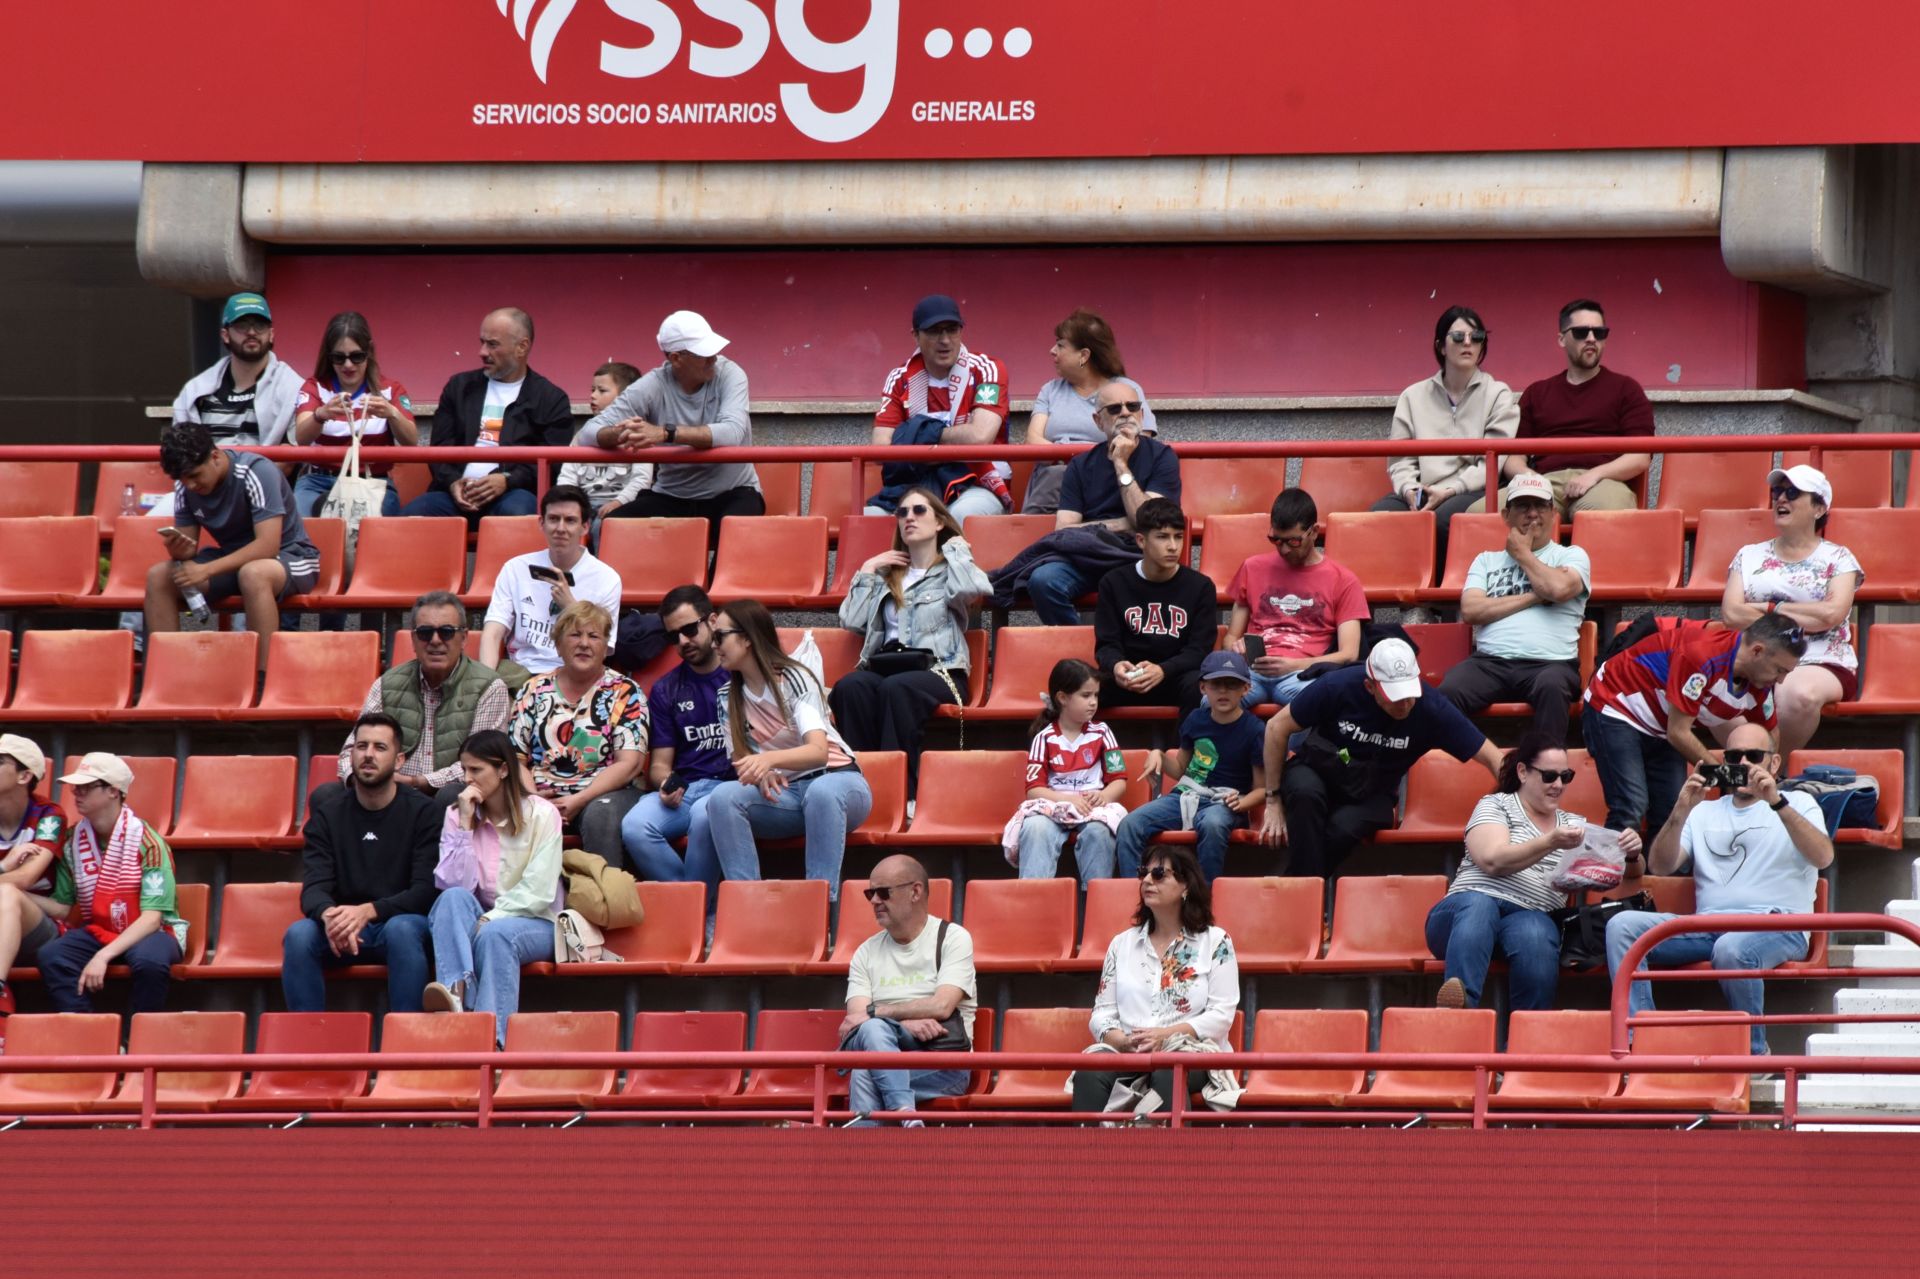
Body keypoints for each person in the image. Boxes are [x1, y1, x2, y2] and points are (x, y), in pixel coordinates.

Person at [1605, 723, 1831, 1056]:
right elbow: (1662, 865)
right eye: (1732, 756)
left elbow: (1823, 855)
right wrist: (1681, 809)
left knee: (1731, 947)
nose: (1741, 763)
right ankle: (1642, 1039)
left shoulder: (1798, 802)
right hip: (1707, 927)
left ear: (1773, 763)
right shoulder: (1703, 811)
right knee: (1621, 926)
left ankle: (1755, 1054)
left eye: (1752, 756)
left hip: (1778, 925)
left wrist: (1777, 802)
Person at [1425, 733, 1641, 1012]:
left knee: (1536, 931)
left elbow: (1626, 872)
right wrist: (1550, 841)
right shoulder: (1497, 804)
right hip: (1460, 917)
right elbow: (1492, 860)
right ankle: (1459, 1012)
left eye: (1566, 776)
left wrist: (1632, 853)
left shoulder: (1574, 825)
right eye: (1550, 776)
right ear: (1523, 772)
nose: (1559, 785)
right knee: (1480, 906)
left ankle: (1527, 1035)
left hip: (1528, 916)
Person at [1262, 638, 1503, 879]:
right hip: (1319, 769)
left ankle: (1297, 889)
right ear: (1370, 686)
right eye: (1395, 697)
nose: (1405, 704)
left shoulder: (1432, 707)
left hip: (1373, 792)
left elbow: (1493, 756)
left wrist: (1519, 811)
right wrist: (1272, 801)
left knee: (1342, 828)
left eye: (1410, 694)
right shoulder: (1337, 686)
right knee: (1305, 794)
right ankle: (1305, 897)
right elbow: (1275, 727)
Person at [692, 600, 873, 902]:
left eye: (720, 636)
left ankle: (820, 908)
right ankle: (748, 904)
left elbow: (818, 751)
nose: (714, 645)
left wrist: (768, 760)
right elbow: (743, 762)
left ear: (747, 637)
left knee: (822, 793)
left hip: (839, 783)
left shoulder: (793, 677)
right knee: (722, 798)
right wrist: (761, 775)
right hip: (789, 796)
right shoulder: (727, 696)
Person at [1583, 613, 1807, 836]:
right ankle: (1609, 870)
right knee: (1631, 805)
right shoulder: (1702, 657)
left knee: (1673, 810)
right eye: (1779, 670)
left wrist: (1768, 777)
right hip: (1616, 705)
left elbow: (1770, 733)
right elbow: (1678, 733)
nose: (1781, 681)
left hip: (1662, 723)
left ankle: (1661, 872)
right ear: (1756, 651)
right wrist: (1729, 778)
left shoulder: (1760, 680)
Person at [831, 485, 990, 794]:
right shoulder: (887, 577)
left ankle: (901, 791)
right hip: (888, 669)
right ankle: (859, 786)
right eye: (902, 512)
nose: (909, 518)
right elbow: (851, 621)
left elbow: (971, 592)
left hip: (940, 672)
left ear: (940, 522)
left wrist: (958, 551)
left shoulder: (949, 571)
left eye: (919, 511)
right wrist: (867, 570)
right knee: (850, 686)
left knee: (897, 688)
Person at [285, 713, 441, 1014]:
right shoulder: (328, 816)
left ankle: (405, 1044)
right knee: (299, 935)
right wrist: (329, 915)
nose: (368, 755)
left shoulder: (425, 813)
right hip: (344, 929)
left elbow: (426, 891)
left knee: (402, 931)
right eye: (361, 746)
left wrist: (369, 911)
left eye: (380, 748)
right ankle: (305, 1048)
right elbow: (314, 887)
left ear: (399, 760)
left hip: (399, 922)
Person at [1074, 846, 1239, 1115]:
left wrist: (1166, 1036)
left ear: (1186, 885)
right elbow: (1102, 1013)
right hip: (1131, 1053)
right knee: (1089, 1074)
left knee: (1168, 1070)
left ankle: (1169, 1157)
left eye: (1160, 873)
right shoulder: (1121, 944)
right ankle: (1087, 1157)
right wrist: (1121, 1041)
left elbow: (1221, 1015)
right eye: (1144, 873)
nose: (1148, 880)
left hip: (1191, 1052)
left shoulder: (1216, 941)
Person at [424, 731, 564, 1047]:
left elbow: (540, 890)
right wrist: (464, 826)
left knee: (495, 934)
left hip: (538, 920)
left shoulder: (542, 814)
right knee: (451, 899)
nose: (467, 779)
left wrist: (493, 917)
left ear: (502, 770)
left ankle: (491, 1044)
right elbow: (452, 883)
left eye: (476, 770)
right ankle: (456, 995)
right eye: (464, 770)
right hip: (483, 918)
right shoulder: (457, 814)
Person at [145, 423, 320, 676]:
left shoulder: (256, 471)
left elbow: (267, 546)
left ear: (215, 456)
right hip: (232, 561)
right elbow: (189, 550)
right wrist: (179, 551)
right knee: (159, 576)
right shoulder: (185, 486)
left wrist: (206, 570)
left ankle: (264, 680)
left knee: (254, 573)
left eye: (195, 475)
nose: (191, 485)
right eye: (183, 479)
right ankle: (169, 677)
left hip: (291, 556)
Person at [1437, 471, 1591, 742]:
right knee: (1448, 691)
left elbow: (1558, 589)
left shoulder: (1572, 555)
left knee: (1552, 688)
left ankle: (1546, 772)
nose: (1532, 514)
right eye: (1523, 506)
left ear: (1553, 512)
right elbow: (1472, 611)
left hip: (1550, 664)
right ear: (1506, 516)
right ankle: (1459, 769)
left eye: (1540, 506)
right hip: (1490, 662)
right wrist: (1534, 597)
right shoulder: (1486, 560)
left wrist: (1522, 554)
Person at [1720, 464, 1862, 756]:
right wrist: (1801, 613)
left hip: (1818, 659)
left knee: (1795, 693)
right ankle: (1748, 766)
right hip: (1753, 655)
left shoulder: (1839, 558)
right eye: (1777, 491)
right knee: (1707, 680)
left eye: (1793, 493)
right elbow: (1732, 615)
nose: (1781, 499)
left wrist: (1767, 608)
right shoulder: (1748, 555)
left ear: (1819, 508)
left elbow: (1830, 616)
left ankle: (1771, 768)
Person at [578, 311, 764, 527]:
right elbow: (587, 434)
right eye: (704, 353)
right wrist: (623, 432)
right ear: (676, 358)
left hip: (733, 492)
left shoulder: (731, 373)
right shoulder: (652, 385)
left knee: (736, 528)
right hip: (671, 496)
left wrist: (665, 433)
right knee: (612, 525)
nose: (714, 357)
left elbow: (732, 433)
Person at [34, 754, 185, 1016]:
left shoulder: (148, 842)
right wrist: (12, 891)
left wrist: (103, 956)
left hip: (154, 931)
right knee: (53, 956)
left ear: (114, 791)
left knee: (150, 962)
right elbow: (61, 908)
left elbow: (152, 919)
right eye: (75, 788)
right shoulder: (72, 841)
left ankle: (137, 1041)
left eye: (86, 787)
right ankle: (90, 1035)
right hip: (99, 929)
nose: (76, 794)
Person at [1476, 299, 1654, 518]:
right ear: (1562, 339)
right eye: (1581, 332)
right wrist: (1533, 480)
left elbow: (1640, 456)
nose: (1591, 339)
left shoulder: (1627, 389)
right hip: (1544, 481)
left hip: (1603, 480)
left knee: (1598, 511)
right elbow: (1513, 458)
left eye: (1599, 333)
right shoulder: (1537, 393)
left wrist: (1595, 475)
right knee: (1477, 513)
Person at [838, 854, 977, 1126]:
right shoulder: (866, 952)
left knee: (866, 1070)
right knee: (871, 1035)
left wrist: (881, 1014)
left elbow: (942, 1007)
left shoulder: (953, 938)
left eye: (883, 892)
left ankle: (863, 1159)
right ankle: (905, 1116)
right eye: (870, 893)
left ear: (915, 891)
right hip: (886, 1053)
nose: (875, 901)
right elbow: (857, 1024)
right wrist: (905, 1024)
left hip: (942, 1060)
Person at [337, 591, 518, 801]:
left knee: (451, 795)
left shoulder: (489, 686)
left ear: (464, 638)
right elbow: (350, 750)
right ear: (413, 639)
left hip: (448, 796)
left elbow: (484, 762)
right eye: (425, 632)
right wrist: (360, 779)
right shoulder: (387, 683)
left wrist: (419, 782)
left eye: (447, 632)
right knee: (328, 796)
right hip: (388, 794)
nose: (435, 640)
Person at [508, 600, 647, 870]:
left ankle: (604, 901)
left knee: (600, 813)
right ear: (558, 644)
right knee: (512, 806)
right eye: (575, 634)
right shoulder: (533, 689)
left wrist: (580, 799)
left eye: (594, 636)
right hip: (538, 793)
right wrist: (533, 798)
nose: (584, 643)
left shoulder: (625, 691)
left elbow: (629, 763)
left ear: (606, 647)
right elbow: (515, 757)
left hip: (603, 794)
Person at [1031, 381, 1183, 624]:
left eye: (1132, 406)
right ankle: (1079, 653)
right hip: (1088, 555)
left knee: (1131, 584)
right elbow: (1064, 530)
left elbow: (1148, 522)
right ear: (1098, 421)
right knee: (1043, 580)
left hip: (1138, 555)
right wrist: (1121, 524)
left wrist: (1120, 463)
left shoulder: (1162, 457)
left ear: (1142, 415)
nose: (1125, 413)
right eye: (1114, 409)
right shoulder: (1080, 465)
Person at [1372, 305, 1519, 556]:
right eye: (1459, 337)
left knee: (1442, 520)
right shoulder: (1413, 396)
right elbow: (1400, 459)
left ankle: (1438, 592)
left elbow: (1493, 462)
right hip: (1423, 490)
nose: (1468, 343)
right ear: (1441, 345)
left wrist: (1451, 490)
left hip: (1471, 490)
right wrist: (1410, 490)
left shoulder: (1498, 394)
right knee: (1377, 518)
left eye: (1477, 337)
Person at [403, 307, 571, 521]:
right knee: (410, 516)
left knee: (520, 514)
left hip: (512, 495)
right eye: (482, 342)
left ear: (522, 347)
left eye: (492, 344)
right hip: (453, 495)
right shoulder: (459, 387)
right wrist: (453, 482)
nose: (482, 352)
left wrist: (506, 480)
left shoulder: (551, 399)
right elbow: (439, 449)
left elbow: (552, 463)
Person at [1115, 652, 1265, 881]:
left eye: (1232, 684)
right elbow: (1179, 769)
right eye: (1216, 685)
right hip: (1185, 795)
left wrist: (1242, 802)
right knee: (1129, 825)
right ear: (1203, 688)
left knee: (1213, 824)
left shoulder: (1254, 730)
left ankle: (1202, 902)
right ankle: (1134, 897)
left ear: (1246, 688)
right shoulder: (1196, 718)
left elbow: (1262, 789)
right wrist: (1159, 756)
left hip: (1223, 802)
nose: (1223, 691)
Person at [620, 586, 733, 888]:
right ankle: (697, 906)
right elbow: (659, 765)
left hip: (729, 789)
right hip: (687, 789)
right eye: (673, 636)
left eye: (689, 629)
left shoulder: (740, 674)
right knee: (634, 825)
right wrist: (667, 783)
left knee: (703, 816)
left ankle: (693, 913)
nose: (683, 641)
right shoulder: (666, 688)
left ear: (711, 621)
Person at [866, 294, 1012, 523]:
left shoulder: (987, 369)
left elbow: (980, 437)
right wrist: (952, 442)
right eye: (934, 331)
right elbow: (881, 448)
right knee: (871, 517)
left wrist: (920, 435)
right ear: (915, 336)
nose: (945, 340)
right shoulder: (899, 378)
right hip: (915, 487)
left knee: (957, 516)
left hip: (976, 484)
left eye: (952, 329)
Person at [1223, 488, 1368, 709]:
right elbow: (1231, 636)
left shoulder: (1343, 580)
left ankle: (1292, 746)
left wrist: (1293, 665)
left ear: (1314, 532)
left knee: (1314, 703)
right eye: (1276, 540)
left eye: (1293, 542)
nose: (1283, 549)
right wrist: (1236, 647)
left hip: (1302, 673)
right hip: (1252, 671)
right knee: (1211, 701)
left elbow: (1349, 654)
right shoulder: (1252, 567)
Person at [1004, 659, 1128, 886]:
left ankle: (1096, 902)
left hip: (1093, 808)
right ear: (1062, 698)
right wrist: (1068, 799)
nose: (1093, 703)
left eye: (1096, 696)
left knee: (1099, 833)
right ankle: (1033, 898)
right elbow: (1034, 791)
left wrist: (1104, 796)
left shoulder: (1102, 732)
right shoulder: (1045, 737)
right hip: (1055, 805)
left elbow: (1119, 780)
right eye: (1086, 695)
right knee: (1035, 828)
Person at [480, 484, 623, 677]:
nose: (561, 528)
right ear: (542, 523)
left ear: (585, 526)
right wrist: (487, 682)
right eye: (554, 519)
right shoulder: (515, 568)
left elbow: (602, 649)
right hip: (522, 674)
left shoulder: (606, 578)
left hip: (576, 675)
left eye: (570, 520)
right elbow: (493, 630)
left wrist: (570, 607)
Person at [1022, 309, 1156, 515]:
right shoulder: (1050, 390)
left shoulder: (1127, 390)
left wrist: (1076, 461)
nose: (1052, 351)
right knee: (1055, 478)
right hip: (1053, 485)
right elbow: (1032, 441)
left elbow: (1139, 443)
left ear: (1083, 355)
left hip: (1107, 481)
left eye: (1060, 345)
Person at [1093, 497, 1217, 714]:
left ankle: (1184, 749)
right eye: (1162, 537)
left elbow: (1199, 650)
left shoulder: (1201, 586)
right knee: (1079, 685)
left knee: (1199, 687)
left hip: (1175, 677)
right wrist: (1116, 666)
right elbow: (1106, 644)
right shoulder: (1113, 583)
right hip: (1129, 678)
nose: (1173, 546)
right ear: (1141, 541)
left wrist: (1163, 669)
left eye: (1178, 537)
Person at [290, 310, 417, 518]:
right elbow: (302, 437)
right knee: (300, 533)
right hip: (318, 481)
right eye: (339, 358)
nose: (348, 365)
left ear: (369, 352)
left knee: (368, 527)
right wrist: (320, 414)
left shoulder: (391, 389)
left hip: (373, 481)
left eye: (356, 356)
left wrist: (392, 413)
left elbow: (411, 441)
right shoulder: (314, 387)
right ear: (329, 357)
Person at [170, 292, 301, 448]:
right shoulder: (195, 391)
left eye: (260, 325)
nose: (251, 332)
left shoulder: (293, 387)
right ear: (225, 335)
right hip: (210, 472)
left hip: (268, 472)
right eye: (242, 326)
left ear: (271, 334)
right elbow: (184, 454)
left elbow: (289, 459)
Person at [0, 735, 67, 1020]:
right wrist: (4, 869)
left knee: (8, 894)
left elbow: (27, 878)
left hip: (40, 928)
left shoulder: (48, 816)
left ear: (24, 775)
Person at [557, 361, 650, 540]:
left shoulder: (639, 435)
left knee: (602, 526)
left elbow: (642, 479)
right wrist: (567, 501)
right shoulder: (581, 436)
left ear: (626, 397)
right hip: (583, 504)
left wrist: (618, 502)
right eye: (592, 390)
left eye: (602, 390)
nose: (593, 396)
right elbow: (567, 475)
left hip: (620, 505)